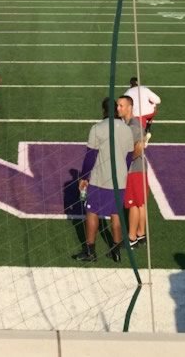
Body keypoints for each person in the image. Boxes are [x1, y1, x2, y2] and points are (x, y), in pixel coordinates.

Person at [72, 96, 133, 263]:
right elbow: (129, 157)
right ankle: (116, 250)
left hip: (100, 178)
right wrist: (122, 173)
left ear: (104, 110)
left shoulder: (97, 128)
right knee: (116, 213)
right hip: (119, 179)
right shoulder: (127, 130)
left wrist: (84, 177)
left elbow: (90, 156)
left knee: (92, 212)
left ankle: (90, 251)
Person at [122, 97, 149, 248]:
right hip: (140, 169)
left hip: (134, 170)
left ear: (129, 108)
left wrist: (123, 162)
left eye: (121, 105)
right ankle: (141, 234)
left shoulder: (132, 127)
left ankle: (131, 237)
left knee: (133, 204)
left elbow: (137, 149)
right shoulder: (134, 125)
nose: (118, 108)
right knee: (140, 204)